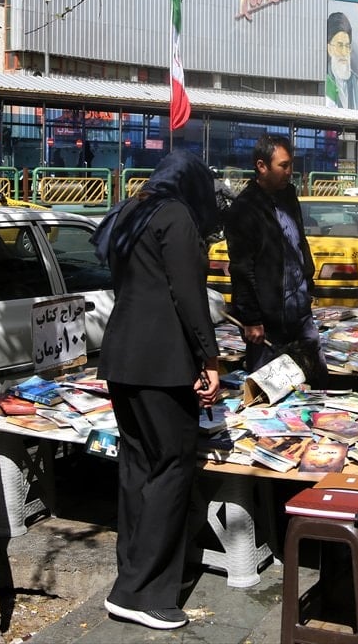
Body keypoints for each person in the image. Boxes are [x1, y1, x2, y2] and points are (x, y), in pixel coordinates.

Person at [91, 150, 222, 631]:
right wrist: (210, 357)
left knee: (137, 465)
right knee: (171, 465)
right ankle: (143, 593)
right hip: (163, 362)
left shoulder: (131, 210)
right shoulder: (176, 217)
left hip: (123, 356)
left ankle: (130, 578)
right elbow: (187, 294)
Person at [225, 134, 327, 380]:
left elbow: (298, 242)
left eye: (290, 164)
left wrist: (307, 281)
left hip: (300, 313)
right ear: (261, 166)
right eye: (283, 165)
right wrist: (251, 319)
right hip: (267, 322)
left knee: (318, 380)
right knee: (270, 389)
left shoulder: (288, 195)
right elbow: (241, 268)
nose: (289, 171)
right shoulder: (244, 209)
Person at [324, 12, 358, 110]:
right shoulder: (323, 82)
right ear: (329, 49)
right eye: (340, 45)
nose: (344, 52)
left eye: (347, 46)